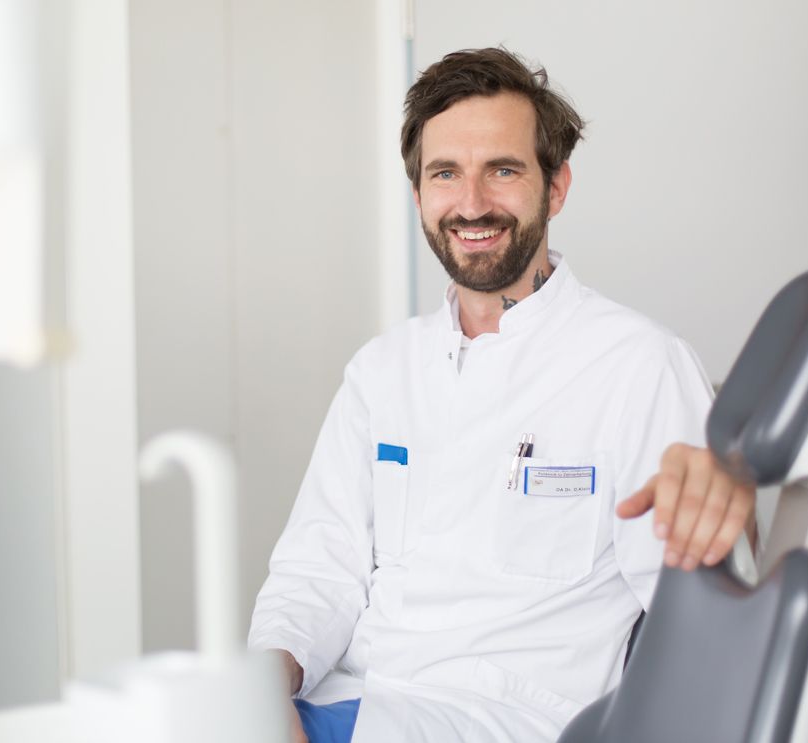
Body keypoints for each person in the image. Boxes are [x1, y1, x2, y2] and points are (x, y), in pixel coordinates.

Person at [248, 47, 756, 743]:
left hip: (506, 721)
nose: (472, 203)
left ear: (555, 188)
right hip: (353, 700)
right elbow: (317, 568)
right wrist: (260, 687)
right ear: (419, 195)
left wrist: (729, 520)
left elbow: (707, 614)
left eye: (503, 170)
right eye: (445, 174)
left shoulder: (638, 365)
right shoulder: (381, 372)